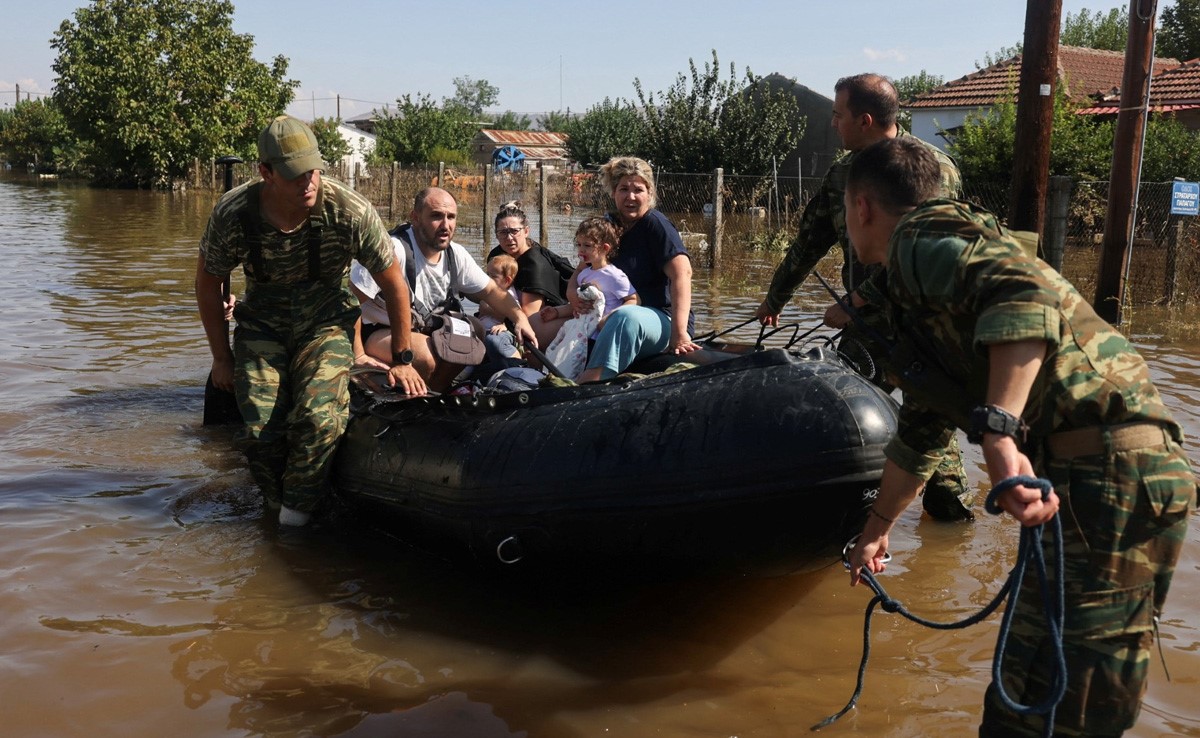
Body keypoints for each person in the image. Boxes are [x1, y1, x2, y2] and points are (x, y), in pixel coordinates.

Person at [843, 137, 1196, 737]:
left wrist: (998, 432)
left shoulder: (919, 239)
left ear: (860, 207)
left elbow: (1023, 293)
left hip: (1113, 472)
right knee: (1024, 693)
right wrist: (874, 533)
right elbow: (923, 433)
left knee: (1076, 707)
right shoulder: (917, 292)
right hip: (1087, 478)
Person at [755, 72, 971, 521]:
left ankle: (947, 520)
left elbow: (921, 257)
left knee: (931, 420)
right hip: (867, 327)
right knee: (845, 409)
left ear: (866, 120)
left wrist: (854, 302)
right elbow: (809, 242)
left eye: (838, 115)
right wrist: (775, 299)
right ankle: (852, 509)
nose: (833, 123)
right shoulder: (843, 174)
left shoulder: (933, 168)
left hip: (922, 320)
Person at [195, 115, 423, 529]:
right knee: (261, 431)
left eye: (315, 171)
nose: (310, 183)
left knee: (318, 419)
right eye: (296, 175)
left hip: (325, 325)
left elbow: (394, 285)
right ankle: (275, 510)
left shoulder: (348, 210)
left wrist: (403, 358)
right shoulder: (234, 213)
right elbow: (207, 283)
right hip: (262, 327)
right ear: (265, 172)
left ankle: (293, 527)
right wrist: (221, 357)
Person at [351, 187, 537, 392]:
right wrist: (358, 356)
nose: (445, 225)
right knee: (426, 354)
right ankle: (419, 395)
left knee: (475, 330)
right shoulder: (391, 250)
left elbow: (492, 291)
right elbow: (348, 304)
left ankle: (438, 391)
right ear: (415, 217)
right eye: (436, 216)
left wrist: (520, 318)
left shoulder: (455, 254)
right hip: (380, 331)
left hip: (424, 327)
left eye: (451, 217)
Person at [574, 156, 699, 383]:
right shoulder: (608, 225)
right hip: (610, 314)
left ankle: (592, 380)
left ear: (649, 194)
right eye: (623, 189)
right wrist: (574, 300)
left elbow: (682, 274)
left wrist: (680, 335)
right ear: (613, 193)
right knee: (543, 322)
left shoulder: (655, 224)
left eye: (638, 190)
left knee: (625, 317)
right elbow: (582, 269)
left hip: (660, 318)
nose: (630, 197)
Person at [487, 200, 575, 347]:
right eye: (503, 232)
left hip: (545, 319)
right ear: (496, 235)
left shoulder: (534, 264)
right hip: (507, 312)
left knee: (495, 341)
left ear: (526, 231)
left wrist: (506, 324)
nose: (509, 238)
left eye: (514, 231)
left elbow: (530, 314)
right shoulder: (497, 255)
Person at [541, 216, 638, 338]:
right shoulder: (584, 275)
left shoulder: (615, 276)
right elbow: (581, 306)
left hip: (604, 336)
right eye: (579, 244)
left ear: (605, 248)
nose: (581, 250)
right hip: (584, 334)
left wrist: (611, 318)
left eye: (587, 245)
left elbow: (634, 300)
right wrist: (557, 312)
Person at [474, 253, 524, 377]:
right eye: (487, 274)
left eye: (493, 276)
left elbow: (514, 315)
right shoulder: (488, 292)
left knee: (494, 342)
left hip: (504, 333)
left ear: (507, 280)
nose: (488, 278)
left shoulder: (508, 295)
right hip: (485, 331)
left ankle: (519, 363)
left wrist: (503, 325)